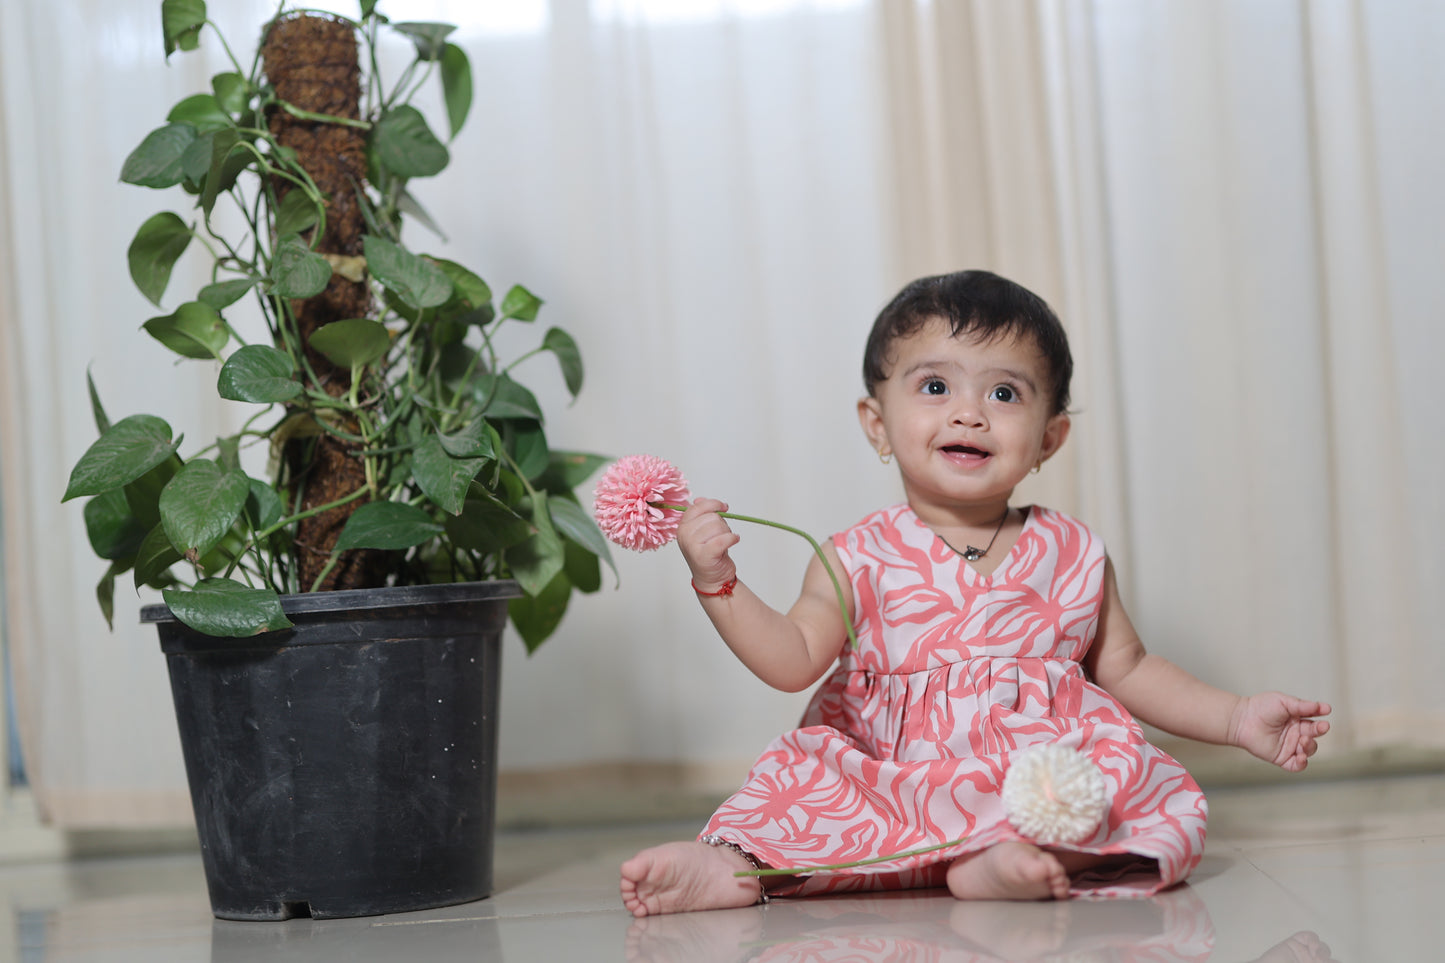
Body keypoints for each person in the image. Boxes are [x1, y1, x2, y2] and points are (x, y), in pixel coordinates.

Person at [619, 270, 1331, 918]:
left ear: (1049, 437)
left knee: (1130, 783)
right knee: (803, 786)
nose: (969, 414)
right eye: (935, 387)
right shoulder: (854, 555)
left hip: (1030, 778)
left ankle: (998, 858)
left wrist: (1237, 716)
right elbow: (792, 659)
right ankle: (734, 867)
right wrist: (719, 582)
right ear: (877, 423)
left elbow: (1131, 669)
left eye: (1003, 392)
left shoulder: (1073, 551)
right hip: (890, 779)